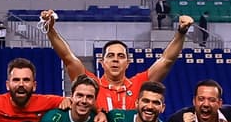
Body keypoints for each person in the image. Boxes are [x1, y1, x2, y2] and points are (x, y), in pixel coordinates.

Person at [41, 9, 193, 111]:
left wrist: (181, 32)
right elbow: (68, 58)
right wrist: (50, 29)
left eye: (121, 56)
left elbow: (167, 60)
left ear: (128, 63)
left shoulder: (140, 83)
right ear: (102, 62)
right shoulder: (90, 85)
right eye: (110, 56)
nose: (115, 60)